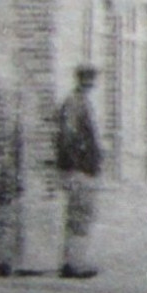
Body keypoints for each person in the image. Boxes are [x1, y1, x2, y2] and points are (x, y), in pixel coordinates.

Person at [55, 63, 103, 278]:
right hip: (79, 170)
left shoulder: (80, 102)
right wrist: (78, 163)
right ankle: (74, 263)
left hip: (83, 169)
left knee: (82, 215)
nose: (90, 83)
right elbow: (68, 136)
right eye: (87, 79)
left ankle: (74, 261)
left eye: (91, 79)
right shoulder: (74, 103)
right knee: (80, 216)